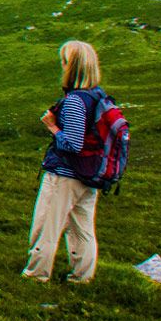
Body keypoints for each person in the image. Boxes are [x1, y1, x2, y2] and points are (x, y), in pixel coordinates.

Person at [23, 39, 104, 283]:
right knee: (82, 228)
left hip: (64, 175)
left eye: (64, 62)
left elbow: (73, 145)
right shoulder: (97, 97)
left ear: (72, 66)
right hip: (89, 176)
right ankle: (82, 276)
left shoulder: (75, 101)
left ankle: (36, 274)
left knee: (47, 224)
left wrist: (52, 127)